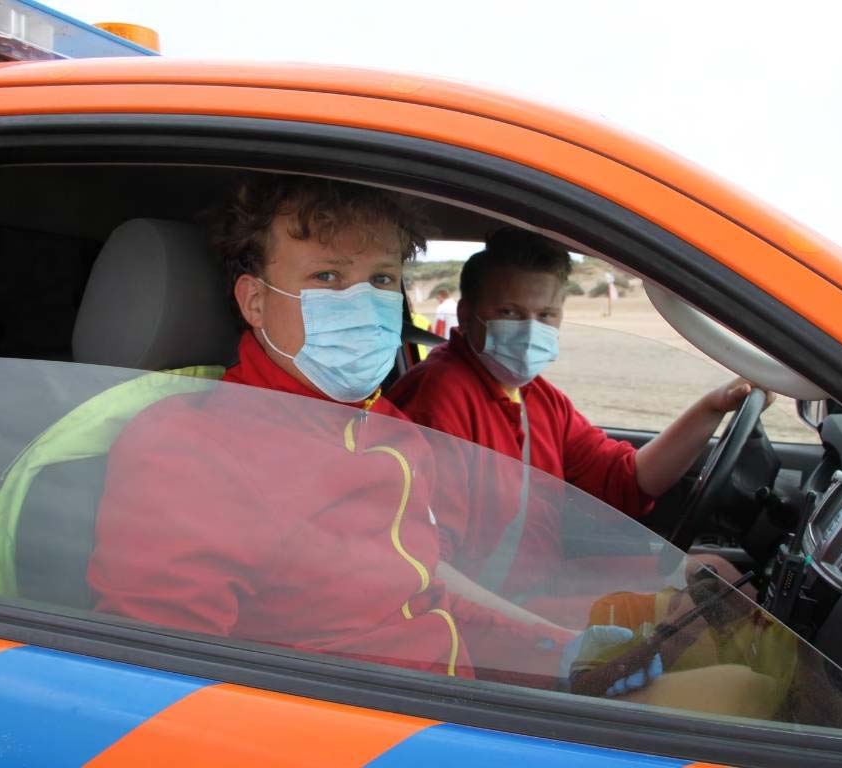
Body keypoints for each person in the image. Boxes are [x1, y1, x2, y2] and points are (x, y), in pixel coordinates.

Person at [85, 175, 661, 691]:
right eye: (328, 275)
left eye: (381, 278)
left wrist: (559, 651)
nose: (361, 302)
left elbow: (426, 587)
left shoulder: (387, 426)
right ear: (256, 301)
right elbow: (160, 691)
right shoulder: (189, 448)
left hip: (456, 696)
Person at [389, 227, 767, 627]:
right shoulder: (439, 399)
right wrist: (557, 639)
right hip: (491, 613)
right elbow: (428, 565)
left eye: (546, 315)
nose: (532, 329)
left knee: (713, 576)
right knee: (696, 618)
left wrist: (714, 406)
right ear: (468, 316)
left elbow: (625, 479)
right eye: (510, 313)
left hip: (544, 583)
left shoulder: (538, 398)